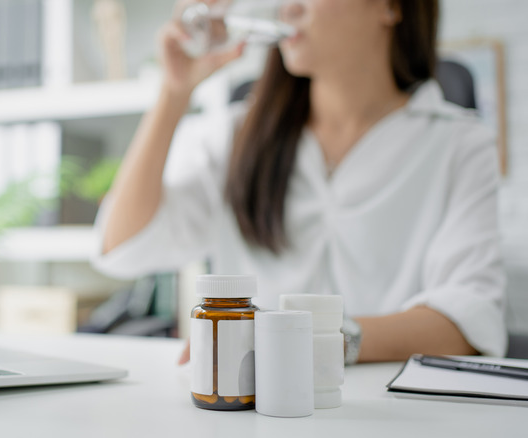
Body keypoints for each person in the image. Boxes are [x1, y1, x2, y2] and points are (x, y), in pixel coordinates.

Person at [90, 0, 507, 364]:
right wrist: (174, 91)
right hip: (261, 410)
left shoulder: (460, 145)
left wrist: (316, 340)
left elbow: (468, 320)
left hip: (397, 415)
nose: (287, 7)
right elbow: (122, 249)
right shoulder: (237, 135)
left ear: (390, 6)